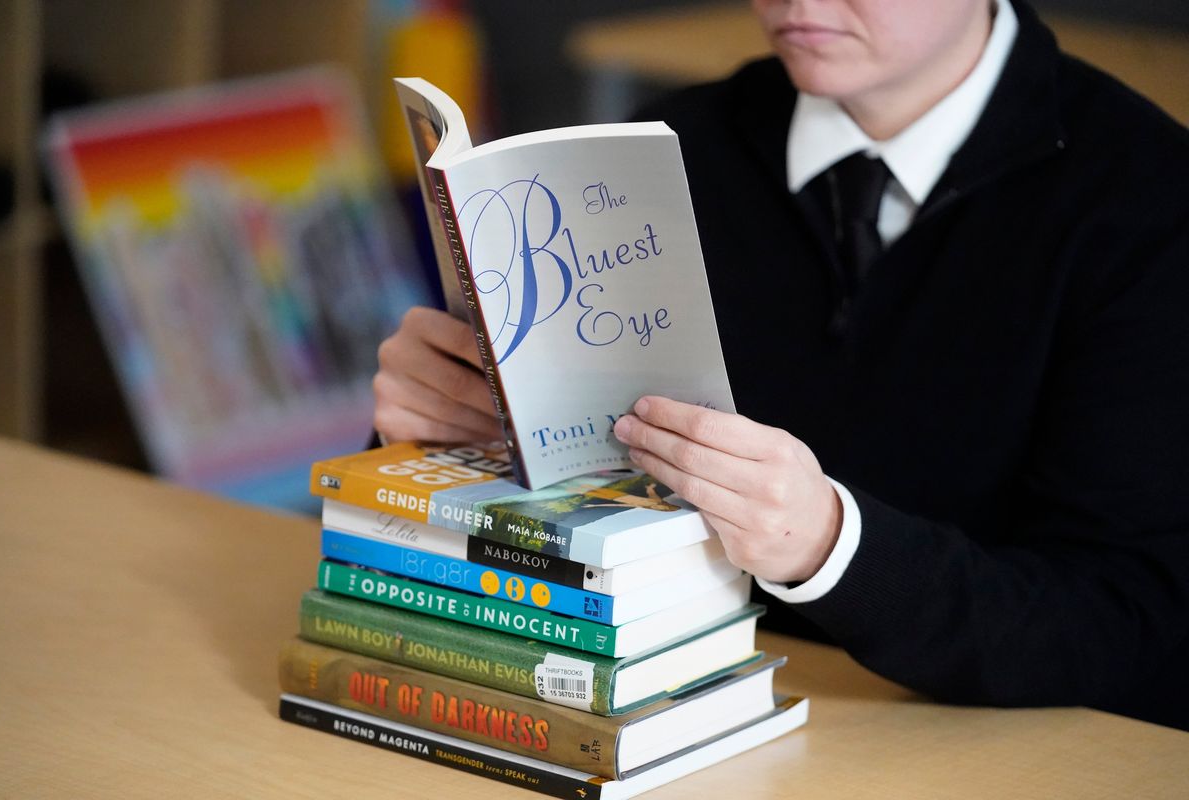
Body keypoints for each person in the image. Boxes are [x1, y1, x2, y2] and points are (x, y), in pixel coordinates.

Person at [373, 0, 1189, 730]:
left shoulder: (1147, 201)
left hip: (978, 749)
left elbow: (1129, 622)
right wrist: (439, 436)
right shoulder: (663, 157)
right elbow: (566, 525)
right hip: (669, 718)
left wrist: (833, 549)